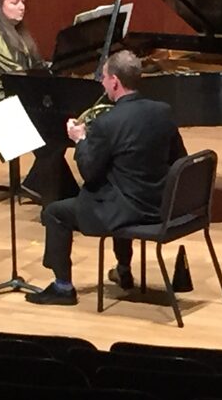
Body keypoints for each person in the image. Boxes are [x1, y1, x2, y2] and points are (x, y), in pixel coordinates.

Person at [26, 50, 187, 305]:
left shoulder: (107, 123)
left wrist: (81, 141)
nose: (101, 83)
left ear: (114, 81)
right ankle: (123, 269)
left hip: (127, 211)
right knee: (118, 187)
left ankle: (62, 287)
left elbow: (89, 173)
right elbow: (180, 157)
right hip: (158, 205)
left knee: (55, 213)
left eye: (103, 78)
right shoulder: (163, 111)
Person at [0, 0, 79, 205]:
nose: (21, 7)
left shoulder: (19, 32)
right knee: (46, 124)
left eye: (23, 2)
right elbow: (15, 74)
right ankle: (41, 184)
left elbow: (34, 66)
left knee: (53, 125)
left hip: (12, 91)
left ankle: (55, 188)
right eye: (14, 1)